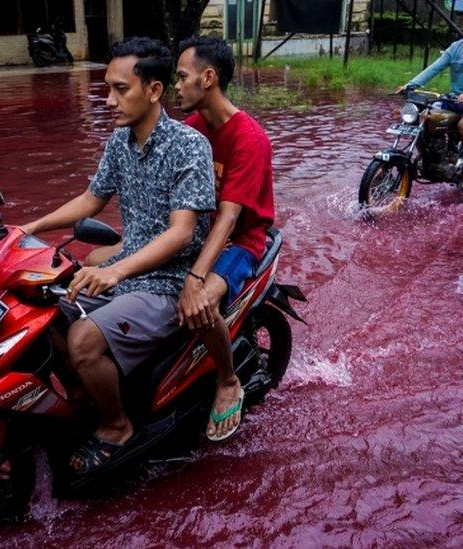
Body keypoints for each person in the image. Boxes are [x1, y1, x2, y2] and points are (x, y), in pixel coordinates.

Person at [18, 37, 215, 474]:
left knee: (83, 340)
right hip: (125, 272)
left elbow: (182, 234)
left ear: (154, 90)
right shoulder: (119, 142)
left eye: (120, 89)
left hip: (169, 281)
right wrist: (29, 228)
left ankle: (116, 426)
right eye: (107, 88)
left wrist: (115, 269)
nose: (109, 100)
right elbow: (91, 199)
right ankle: (89, 398)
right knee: (46, 315)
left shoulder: (189, 147)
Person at [173, 36, 275, 441]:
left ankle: (228, 379)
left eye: (182, 77)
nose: (176, 86)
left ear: (208, 78)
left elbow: (231, 218)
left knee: (199, 305)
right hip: (200, 231)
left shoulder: (249, 139)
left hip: (241, 241)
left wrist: (196, 278)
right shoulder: (193, 129)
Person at [397, 1, 463, 185]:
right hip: (454, 98)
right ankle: (435, 159)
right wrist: (410, 84)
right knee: (426, 118)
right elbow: (435, 67)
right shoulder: (456, 47)